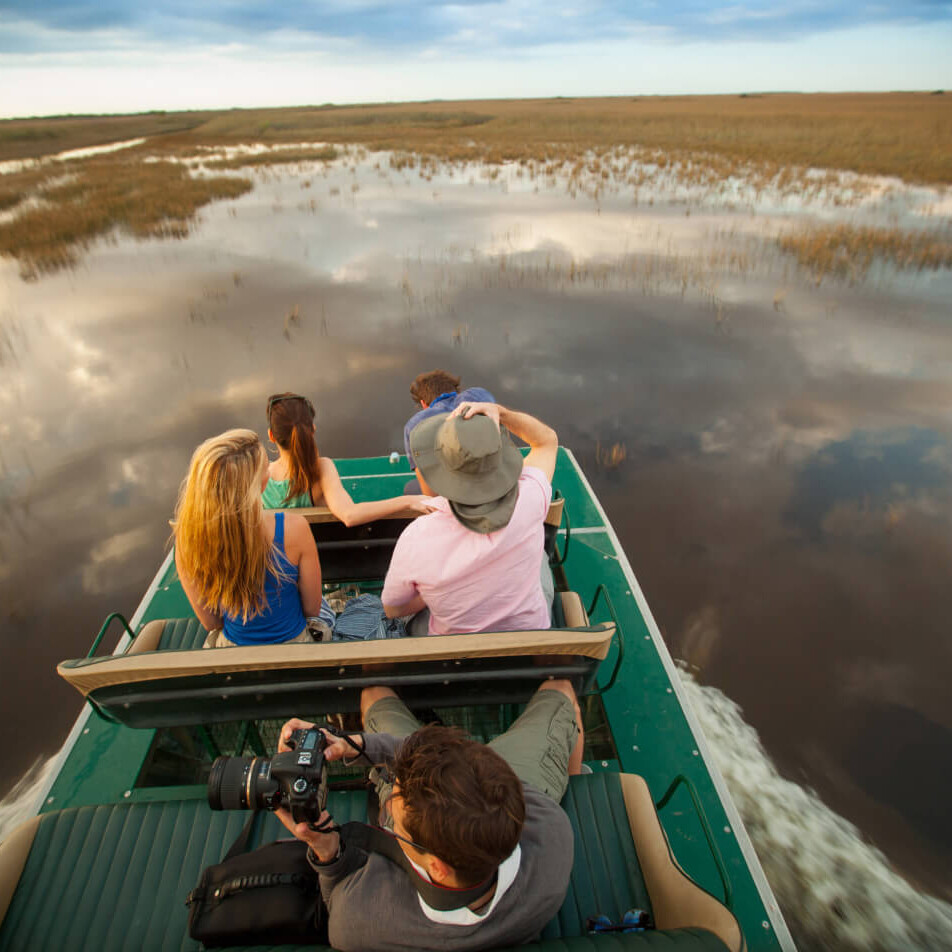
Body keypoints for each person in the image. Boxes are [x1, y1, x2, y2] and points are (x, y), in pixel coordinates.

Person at [276, 679, 584, 951]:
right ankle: (582, 778)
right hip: (508, 783)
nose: (392, 785)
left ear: (437, 868)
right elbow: (473, 765)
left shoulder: (362, 921)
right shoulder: (551, 831)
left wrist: (327, 853)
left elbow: (337, 896)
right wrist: (356, 747)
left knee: (374, 694)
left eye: (394, 800)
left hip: (494, 782)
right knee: (562, 690)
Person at [382, 402, 557, 635]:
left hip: (455, 658)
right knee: (541, 558)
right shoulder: (531, 495)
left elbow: (393, 609)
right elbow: (547, 441)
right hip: (528, 643)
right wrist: (501, 413)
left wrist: (432, 596)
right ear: (499, 458)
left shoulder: (417, 537)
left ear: (441, 471)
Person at [172, 428, 334, 647]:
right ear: (258, 484)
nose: (268, 471)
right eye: (266, 467)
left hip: (234, 653)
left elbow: (211, 622)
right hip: (295, 646)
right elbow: (311, 609)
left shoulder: (186, 541)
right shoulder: (294, 528)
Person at [265, 392, 432, 525]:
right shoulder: (320, 468)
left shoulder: (260, 474)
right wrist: (408, 501)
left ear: (271, 436)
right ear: (312, 430)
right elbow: (350, 514)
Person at [404, 370, 494, 471]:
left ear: (423, 403)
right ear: (456, 391)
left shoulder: (415, 424)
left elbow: (422, 473)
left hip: (449, 481)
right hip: (493, 471)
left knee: (410, 486)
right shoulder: (478, 395)